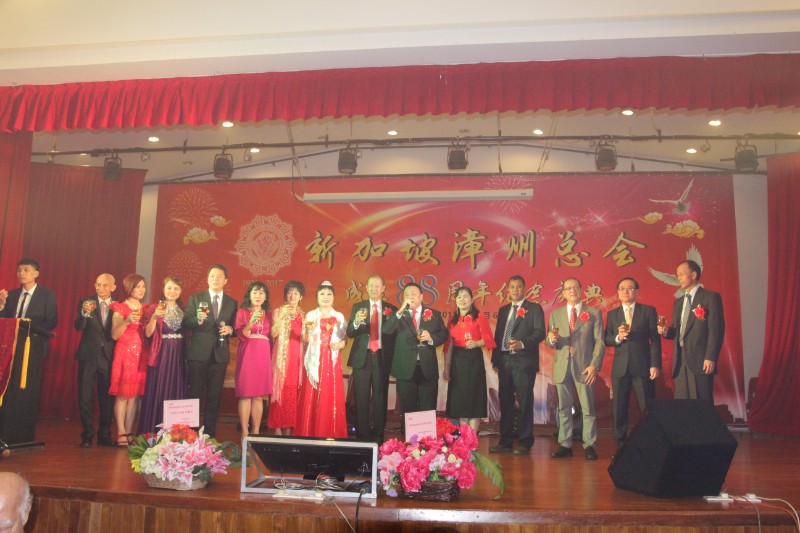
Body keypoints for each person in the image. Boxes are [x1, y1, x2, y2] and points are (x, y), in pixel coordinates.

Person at [0, 259, 58, 445]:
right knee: (9, 390)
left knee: (27, 391)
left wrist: (29, 327)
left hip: (33, 349)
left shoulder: (47, 295)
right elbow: (4, 322)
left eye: (26, 270)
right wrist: (1, 306)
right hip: (11, 350)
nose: (21, 273)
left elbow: (51, 321)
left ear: (36, 274)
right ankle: (5, 432)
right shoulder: (11, 295)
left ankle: (23, 434)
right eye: (19, 270)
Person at [547, 278, 604, 460]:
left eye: (575, 287)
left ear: (581, 290)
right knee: (564, 407)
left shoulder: (593, 313)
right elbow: (550, 341)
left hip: (584, 367)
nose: (572, 291)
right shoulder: (555, 314)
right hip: (562, 365)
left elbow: (599, 342)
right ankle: (565, 444)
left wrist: (594, 365)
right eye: (568, 288)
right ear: (563, 293)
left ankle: (589, 444)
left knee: (588, 407)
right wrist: (551, 340)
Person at [488, 275, 546, 455]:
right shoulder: (504, 310)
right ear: (508, 289)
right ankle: (505, 441)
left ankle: (525, 441)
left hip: (524, 362)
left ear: (524, 289)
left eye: (518, 286)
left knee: (525, 401)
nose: (515, 290)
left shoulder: (534, 308)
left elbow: (540, 333)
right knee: (505, 402)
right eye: (512, 287)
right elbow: (499, 336)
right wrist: (496, 360)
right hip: (505, 362)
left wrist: (522, 343)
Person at [603, 277, 661, 449]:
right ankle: (620, 444)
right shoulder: (613, 314)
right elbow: (607, 338)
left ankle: (650, 443)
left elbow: (655, 340)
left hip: (643, 366)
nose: (625, 291)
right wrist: (618, 337)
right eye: (622, 288)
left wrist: (655, 364)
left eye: (629, 288)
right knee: (619, 407)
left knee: (647, 407)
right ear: (617, 292)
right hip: (620, 368)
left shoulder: (648, 311)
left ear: (636, 291)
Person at [658, 260, 725, 403]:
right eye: (677, 275)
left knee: (702, 404)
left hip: (700, 360)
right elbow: (677, 332)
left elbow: (716, 330)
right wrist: (665, 331)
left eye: (682, 274)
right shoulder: (678, 303)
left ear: (693, 275)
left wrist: (710, 357)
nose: (679, 278)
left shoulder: (710, 297)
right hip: (680, 361)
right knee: (683, 404)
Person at [383, 282, 449, 428]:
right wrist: (400, 311)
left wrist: (431, 339)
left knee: (428, 405)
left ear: (421, 297)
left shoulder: (434, 314)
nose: (410, 297)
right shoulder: (398, 315)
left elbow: (444, 334)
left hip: (427, 367)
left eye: (413, 294)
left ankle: (427, 438)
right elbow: (386, 331)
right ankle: (408, 438)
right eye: (406, 295)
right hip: (405, 367)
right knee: (407, 406)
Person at [183, 265, 237, 438]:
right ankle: (192, 432)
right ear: (207, 279)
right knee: (195, 393)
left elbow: (236, 327)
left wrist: (230, 329)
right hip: (198, 353)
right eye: (212, 276)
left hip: (219, 354)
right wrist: (197, 320)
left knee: (215, 395)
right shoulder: (196, 298)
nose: (215, 279)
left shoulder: (231, 302)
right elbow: (185, 321)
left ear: (225, 280)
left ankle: (209, 433)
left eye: (219, 276)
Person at [346, 274, 397, 443]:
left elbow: (395, 335)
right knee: (361, 398)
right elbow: (350, 333)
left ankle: (378, 435)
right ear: (366, 288)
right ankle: (362, 436)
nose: (374, 289)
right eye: (371, 286)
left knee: (380, 397)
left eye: (378, 286)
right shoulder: (358, 307)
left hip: (382, 357)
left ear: (383, 289)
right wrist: (356, 323)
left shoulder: (391, 309)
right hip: (363, 357)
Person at [295, 281, 348, 438]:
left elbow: (344, 340)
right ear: (317, 297)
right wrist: (308, 332)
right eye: (322, 294)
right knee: (312, 393)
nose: (326, 297)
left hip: (332, 360)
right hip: (315, 359)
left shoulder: (339, 316)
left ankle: (330, 432)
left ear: (334, 297)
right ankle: (309, 432)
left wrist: (340, 344)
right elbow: (305, 340)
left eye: (329, 294)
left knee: (330, 394)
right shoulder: (311, 315)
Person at [138, 276, 187, 435]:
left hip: (178, 354)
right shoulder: (154, 308)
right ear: (164, 289)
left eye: (176, 288)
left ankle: (175, 433)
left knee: (176, 387)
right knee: (159, 387)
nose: (172, 291)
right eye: (169, 288)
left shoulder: (184, 309)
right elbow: (147, 333)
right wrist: (154, 317)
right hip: (162, 352)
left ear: (180, 291)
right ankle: (153, 431)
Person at [443, 286, 496, 433]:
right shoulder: (452, 320)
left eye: (465, 296)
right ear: (455, 300)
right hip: (457, 362)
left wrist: (476, 343)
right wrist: (447, 367)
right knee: (460, 401)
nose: (462, 299)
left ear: (472, 300)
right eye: (459, 297)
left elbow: (488, 339)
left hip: (474, 360)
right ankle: (464, 439)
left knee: (474, 399)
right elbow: (448, 345)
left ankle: (471, 439)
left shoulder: (479, 316)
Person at [74, 273, 117, 448]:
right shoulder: (87, 302)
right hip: (88, 355)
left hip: (109, 356)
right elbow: (78, 326)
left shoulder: (118, 305)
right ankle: (87, 434)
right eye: (98, 284)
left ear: (113, 287)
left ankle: (104, 434)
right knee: (85, 396)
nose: (101, 288)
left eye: (105, 285)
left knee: (107, 397)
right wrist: (85, 313)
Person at [109, 274, 148, 446]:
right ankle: (121, 431)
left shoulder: (146, 308)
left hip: (141, 354)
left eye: (143, 286)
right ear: (129, 288)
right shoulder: (121, 308)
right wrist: (126, 321)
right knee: (123, 394)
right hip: (125, 353)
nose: (141, 290)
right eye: (137, 286)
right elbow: (114, 335)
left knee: (134, 396)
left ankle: (130, 430)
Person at [234, 281, 272, 440]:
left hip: (263, 353)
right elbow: (242, 334)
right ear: (249, 295)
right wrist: (251, 322)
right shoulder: (242, 312)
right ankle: (245, 431)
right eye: (255, 292)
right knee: (246, 394)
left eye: (261, 293)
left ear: (266, 297)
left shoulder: (269, 314)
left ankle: (256, 431)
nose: (258, 296)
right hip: (248, 352)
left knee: (258, 395)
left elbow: (273, 335)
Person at [268, 280, 306, 436]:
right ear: (286, 295)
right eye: (290, 292)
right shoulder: (278, 311)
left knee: (293, 391)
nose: (292, 296)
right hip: (281, 357)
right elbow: (273, 333)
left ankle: (290, 427)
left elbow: (305, 338)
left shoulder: (303, 315)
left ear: (301, 297)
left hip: (296, 357)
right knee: (279, 389)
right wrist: (283, 317)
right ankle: (277, 427)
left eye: (296, 293)